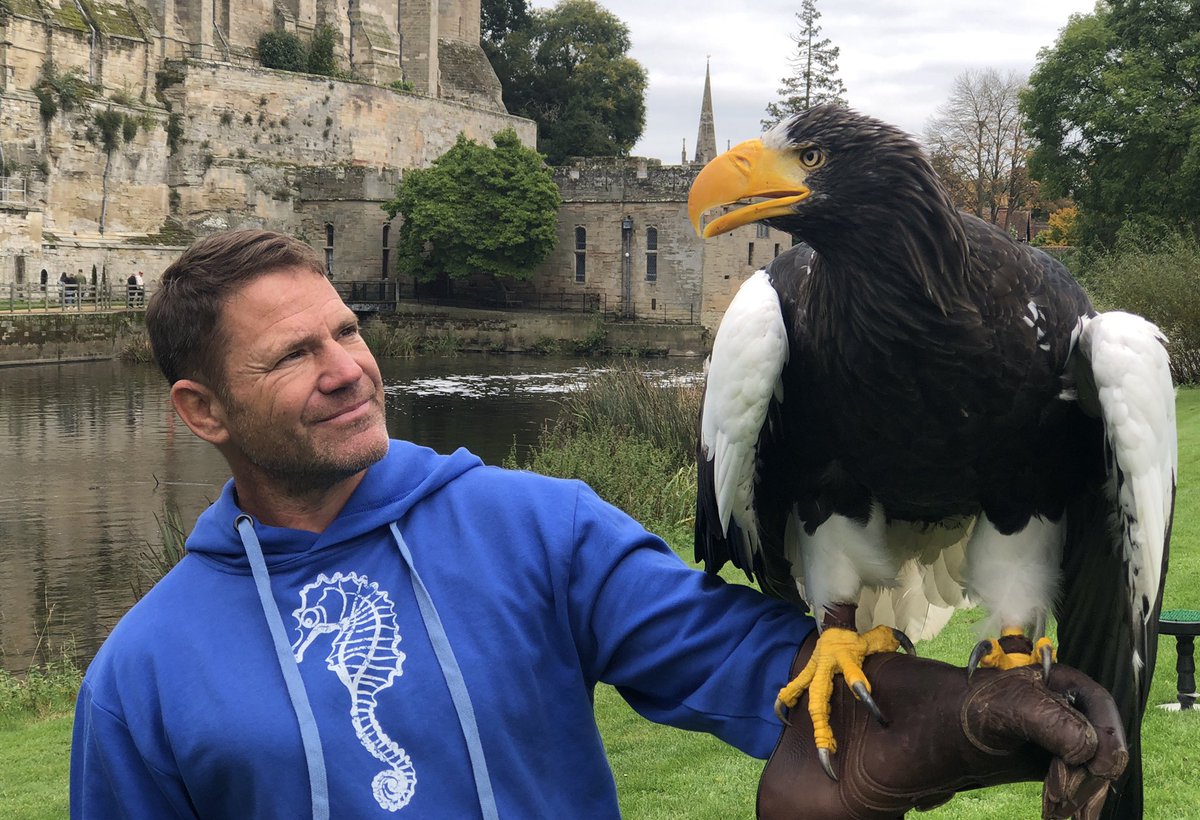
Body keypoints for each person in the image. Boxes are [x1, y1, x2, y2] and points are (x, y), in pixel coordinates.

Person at [70, 230, 1127, 819]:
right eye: (293, 355)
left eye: (347, 329)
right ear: (200, 410)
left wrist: (978, 720)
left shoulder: (532, 527)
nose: (349, 368)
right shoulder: (142, 675)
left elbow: (755, 663)